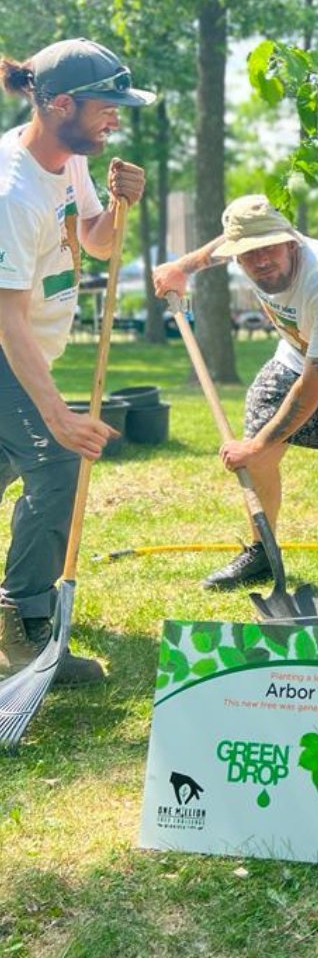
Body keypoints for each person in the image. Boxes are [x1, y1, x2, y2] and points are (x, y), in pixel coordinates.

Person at [152, 195, 318, 624]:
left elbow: (317, 381)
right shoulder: (247, 251)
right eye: (249, 253)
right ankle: (262, 552)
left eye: (269, 247)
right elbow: (219, 246)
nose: (261, 260)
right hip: (296, 354)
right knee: (259, 452)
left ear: (290, 242)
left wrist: (258, 444)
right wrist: (182, 268)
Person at [0, 37, 151, 682]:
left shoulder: (69, 158)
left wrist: (122, 208)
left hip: (25, 346)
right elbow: (4, 315)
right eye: (106, 106)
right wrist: (57, 414)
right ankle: (22, 623)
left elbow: (94, 238)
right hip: (6, 345)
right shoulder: (12, 194)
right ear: (61, 104)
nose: (116, 117)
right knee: (57, 459)